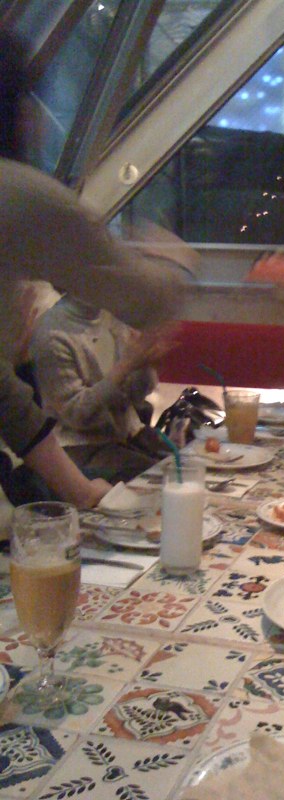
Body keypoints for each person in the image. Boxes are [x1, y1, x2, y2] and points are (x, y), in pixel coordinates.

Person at [0, 28, 189, 509]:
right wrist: (174, 260)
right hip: (87, 449)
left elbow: (4, 394)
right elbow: (150, 299)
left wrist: (81, 492)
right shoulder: (14, 193)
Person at [30, 296, 175, 484]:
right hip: (79, 447)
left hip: (125, 437)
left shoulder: (112, 318)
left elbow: (134, 397)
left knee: (189, 466)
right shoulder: (52, 333)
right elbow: (76, 415)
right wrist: (126, 365)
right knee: (165, 481)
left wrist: (147, 365)